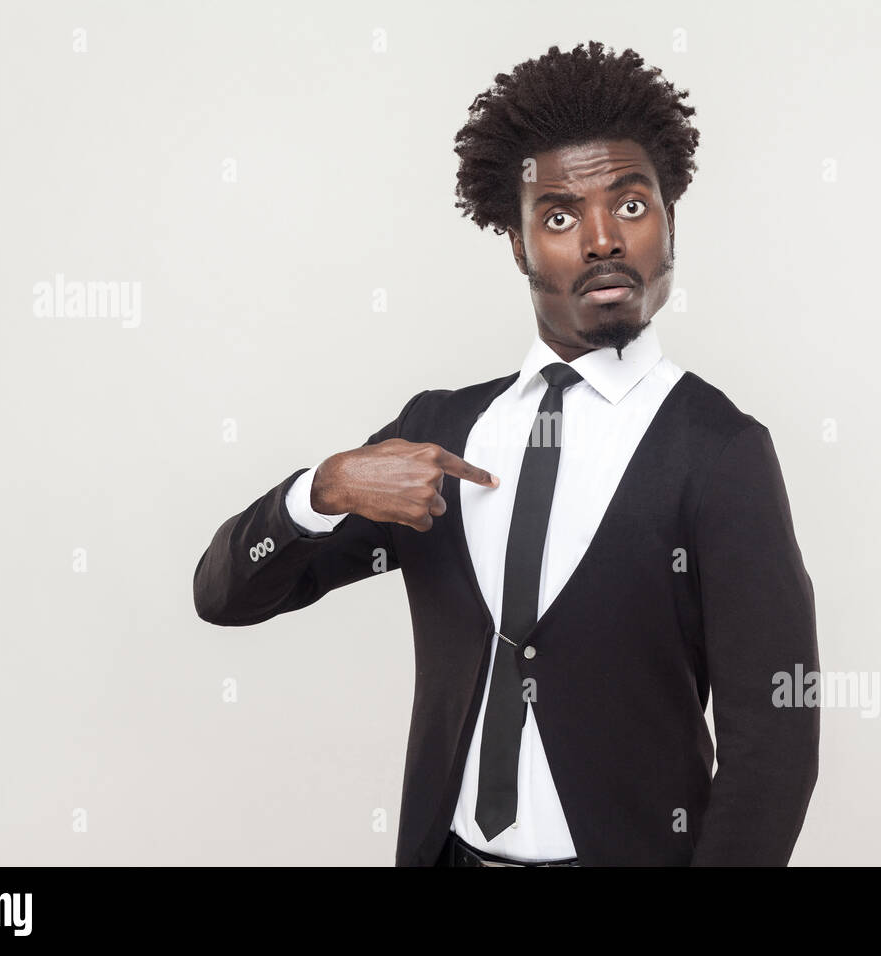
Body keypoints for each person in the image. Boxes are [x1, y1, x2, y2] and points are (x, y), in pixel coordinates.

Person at [193, 41, 820, 867]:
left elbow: (773, 746)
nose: (601, 239)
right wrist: (325, 486)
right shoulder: (442, 431)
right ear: (519, 247)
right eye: (559, 216)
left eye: (631, 205)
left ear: (670, 225)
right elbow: (225, 596)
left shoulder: (720, 452)